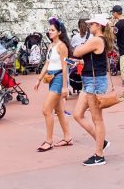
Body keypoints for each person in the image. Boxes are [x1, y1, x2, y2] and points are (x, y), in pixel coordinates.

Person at [72, 13, 115, 167]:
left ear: (98, 26)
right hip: (89, 80)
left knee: (97, 119)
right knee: (77, 115)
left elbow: (76, 52)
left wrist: (79, 47)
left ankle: (99, 155)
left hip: (95, 81)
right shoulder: (96, 39)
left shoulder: (97, 40)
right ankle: (101, 142)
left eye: (91, 24)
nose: (89, 26)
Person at [34, 17, 73, 152]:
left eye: (52, 30)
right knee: (59, 111)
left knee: (46, 110)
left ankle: (49, 141)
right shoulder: (51, 46)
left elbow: (65, 67)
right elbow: (47, 64)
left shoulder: (62, 46)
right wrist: (39, 79)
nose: (49, 32)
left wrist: (64, 87)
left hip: (58, 79)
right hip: (51, 79)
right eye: (49, 30)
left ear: (59, 32)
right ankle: (67, 137)